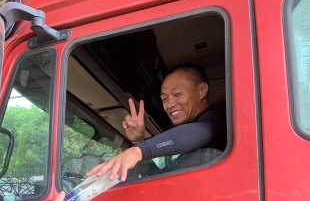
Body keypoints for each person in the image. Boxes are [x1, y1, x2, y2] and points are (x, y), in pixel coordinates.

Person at [88, 63, 226, 181]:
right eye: (165, 99)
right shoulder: (195, 145)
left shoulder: (218, 117)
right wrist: (138, 142)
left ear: (202, 90)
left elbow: (203, 131)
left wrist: (138, 151)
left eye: (177, 94)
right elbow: (163, 174)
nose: (170, 104)